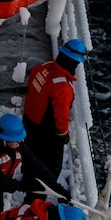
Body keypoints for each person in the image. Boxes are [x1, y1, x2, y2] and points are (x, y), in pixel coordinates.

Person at [22, 39, 89, 176]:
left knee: (30, 158)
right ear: (75, 62)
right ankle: (36, 195)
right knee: (50, 167)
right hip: (45, 131)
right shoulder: (63, 87)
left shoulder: (42, 67)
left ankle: (28, 183)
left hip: (29, 121)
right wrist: (63, 134)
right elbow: (61, 115)